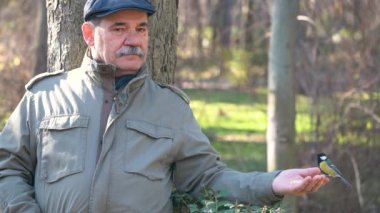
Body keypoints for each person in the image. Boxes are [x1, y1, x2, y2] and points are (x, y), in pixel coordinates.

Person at [0, 0, 328, 212]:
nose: (133, 38)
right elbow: (7, 168)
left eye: (140, 28)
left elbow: (208, 178)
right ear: (89, 34)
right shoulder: (45, 97)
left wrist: (272, 182)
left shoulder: (170, 109)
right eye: (119, 28)